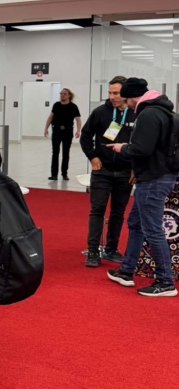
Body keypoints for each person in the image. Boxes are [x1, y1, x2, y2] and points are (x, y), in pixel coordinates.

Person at [106, 77, 178, 297]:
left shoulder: (148, 115)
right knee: (136, 223)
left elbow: (142, 149)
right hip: (160, 175)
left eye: (123, 98)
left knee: (152, 230)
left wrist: (122, 148)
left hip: (152, 178)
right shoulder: (166, 112)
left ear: (131, 97)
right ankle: (127, 270)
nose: (122, 102)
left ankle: (165, 282)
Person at [80, 76, 135, 267]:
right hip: (102, 170)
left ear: (126, 93)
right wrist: (92, 157)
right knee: (97, 210)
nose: (112, 97)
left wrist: (135, 168)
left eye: (116, 93)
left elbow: (141, 145)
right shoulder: (100, 112)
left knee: (118, 212)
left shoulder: (136, 114)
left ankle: (111, 248)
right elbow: (85, 136)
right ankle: (93, 251)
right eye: (110, 93)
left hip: (125, 172)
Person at [44, 87, 81, 180]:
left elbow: (78, 119)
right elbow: (50, 117)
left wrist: (78, 130)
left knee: (66, 152)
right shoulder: (56, 105)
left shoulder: (73, 106)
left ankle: (64, 173)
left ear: (69, 96)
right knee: (55, 152)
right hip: (56, 130)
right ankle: (54, 175)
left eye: (64, 94)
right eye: (61, 93)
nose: (62, 95)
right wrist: (46, 128)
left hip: (67, 131)